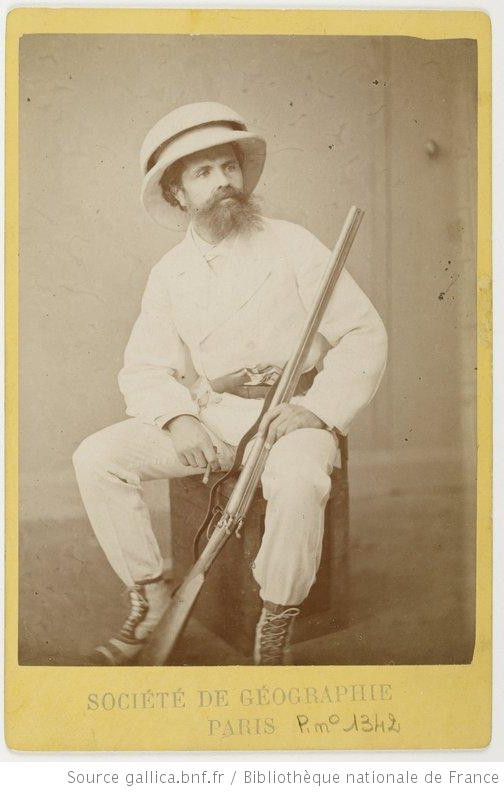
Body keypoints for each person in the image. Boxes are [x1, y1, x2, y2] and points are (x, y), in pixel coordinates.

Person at [73, 101, 387, 666]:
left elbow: (364, 335)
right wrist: (180, 417)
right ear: (177, 195)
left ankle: (276, 617)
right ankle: (149, 594)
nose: (223, 182)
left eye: (229, 167)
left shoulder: (294, 243)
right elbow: (145, 368)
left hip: (292, 414)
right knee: (97, 457)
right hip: (214, 417)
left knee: (297, 481)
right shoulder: (170, 273)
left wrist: (316, 411)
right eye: (203, 173)